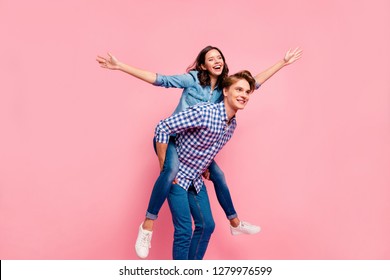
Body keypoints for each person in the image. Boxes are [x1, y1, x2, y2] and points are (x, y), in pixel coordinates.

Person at [96, 46, 302, 258]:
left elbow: (251, 83)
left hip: (195, 156)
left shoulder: (228, 95)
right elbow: (161, 80)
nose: (216, 60)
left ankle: (234, 223)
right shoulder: (194, 82)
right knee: (170, 174)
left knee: (214, 193)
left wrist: (282, 63)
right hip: (172, 139)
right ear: (203, 65)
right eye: (210, 58)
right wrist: (120, 66)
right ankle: (147, 226)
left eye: (219, 57)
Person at [154, 70, 256, 259]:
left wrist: (207, 165)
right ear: (225, 91)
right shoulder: (205, 112)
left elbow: (209, 148)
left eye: (247, 92)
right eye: (239, 89)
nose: (243, 95)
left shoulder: (232, 125)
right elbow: (163, 127)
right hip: (178, 175)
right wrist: (165, 167)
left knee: (207, 225)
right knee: (184, 230)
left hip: (195, 178)